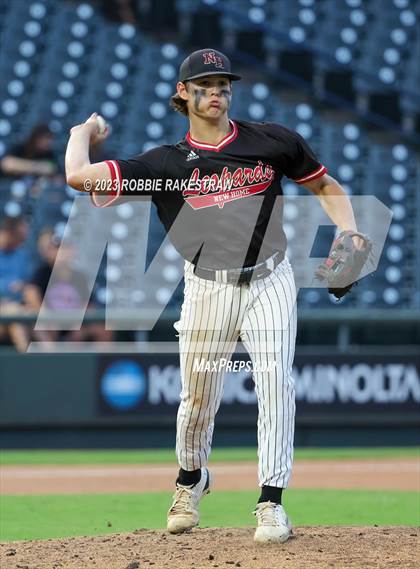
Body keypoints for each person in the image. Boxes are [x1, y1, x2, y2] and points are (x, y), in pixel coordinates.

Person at [65, 48, 362, 544]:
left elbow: (325, 185)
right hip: (206, 286)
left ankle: (271, 502)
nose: (218, 90)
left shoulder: (272, 142)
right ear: (183, 93)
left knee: (275, 383)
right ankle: (191, 479)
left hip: (270, 278)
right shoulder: (163, 164)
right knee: (197, 399)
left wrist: (350, 232)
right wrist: (81, 134)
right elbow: (78, 178)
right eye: (205, 83)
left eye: (223, 82)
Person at [0, 215, 32, 351]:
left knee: (32, 295)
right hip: (5, 309)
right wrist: (8, 287)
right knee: (13, 314)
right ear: (7, 233)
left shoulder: (21, 254)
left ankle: (51, 355)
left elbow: (25, 285)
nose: (20, 241)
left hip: (18, 306)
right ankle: (28, 363)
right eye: (18, 236)